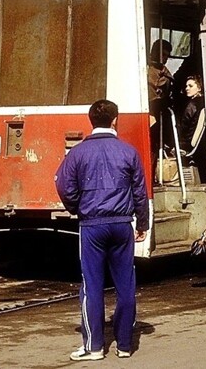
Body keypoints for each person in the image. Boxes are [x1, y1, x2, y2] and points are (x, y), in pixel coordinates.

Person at [54, 99, 149, 361]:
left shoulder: (78, 153)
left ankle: (94, 347)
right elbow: (140, 192)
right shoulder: (128, 152)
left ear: (90, 121)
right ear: (115, 120)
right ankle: (125, 345)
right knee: (125, 285)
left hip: (92, 226)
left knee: (92, 286)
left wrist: (76, 207)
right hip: (121, 224)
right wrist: (142, 223)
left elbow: (63, 186)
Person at [179, 75, 206, 182]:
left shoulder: (192, 105)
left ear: (199, 88)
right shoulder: (205, 103)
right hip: (200, 145)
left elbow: (185, 127)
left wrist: (176, 144)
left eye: (190, 86)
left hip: (189, 143)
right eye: (186, 86)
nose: (187, 88)